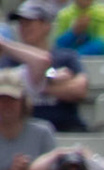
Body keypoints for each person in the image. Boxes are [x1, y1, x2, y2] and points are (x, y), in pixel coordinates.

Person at [1, 1, 88, 134]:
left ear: (46, 25)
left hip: (66, 128)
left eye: (29, 22)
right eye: (21, 23)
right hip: (25, 135)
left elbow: (79, 90)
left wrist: (37, 84)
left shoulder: (66, 57)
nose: (24, 27)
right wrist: (52, 80)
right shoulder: (9, 61)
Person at [0, 68, 53, 170]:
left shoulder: (43, 132)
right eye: (2, 100)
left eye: (12, 100)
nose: (6, 105)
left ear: (22, 102)